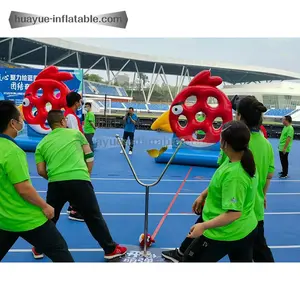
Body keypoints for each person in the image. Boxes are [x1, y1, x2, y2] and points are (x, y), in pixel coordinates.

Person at [32, 110, 127, 260]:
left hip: (56, 183)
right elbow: (89, 156)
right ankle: (110, 249)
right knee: (93, 216)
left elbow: (40, 170)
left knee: (50, 217)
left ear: (50, 125)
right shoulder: (76, 134)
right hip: (79, 181)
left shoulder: (42, 144)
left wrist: (54, 177)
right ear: (63, 121)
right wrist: (86, 175)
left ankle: (38, 248)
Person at [0, 101, 74, 262]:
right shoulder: (12, 151)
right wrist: (45, 206)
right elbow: (23, 188)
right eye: (20, 118)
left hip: (4, 219)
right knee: (60, 252)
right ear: (13, 123)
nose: (22, 121)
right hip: (27, 218)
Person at [182, 120, 258, 262]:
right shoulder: (236, 159)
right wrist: (203, 195)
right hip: (245, 229)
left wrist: (203, 226)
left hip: (225, 233)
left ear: (225, 143)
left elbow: (234, 213)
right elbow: (218, 183)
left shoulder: (235, 176)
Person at [64, 91, 84, 221]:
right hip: (74, 152)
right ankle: (75, 210)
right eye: (80, 101)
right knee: (77, 181)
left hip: (72, 152)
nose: (81, 103)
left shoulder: (68, 114)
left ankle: (72, 206)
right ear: (76, 102)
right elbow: (76, 135)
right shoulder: (70, 116)